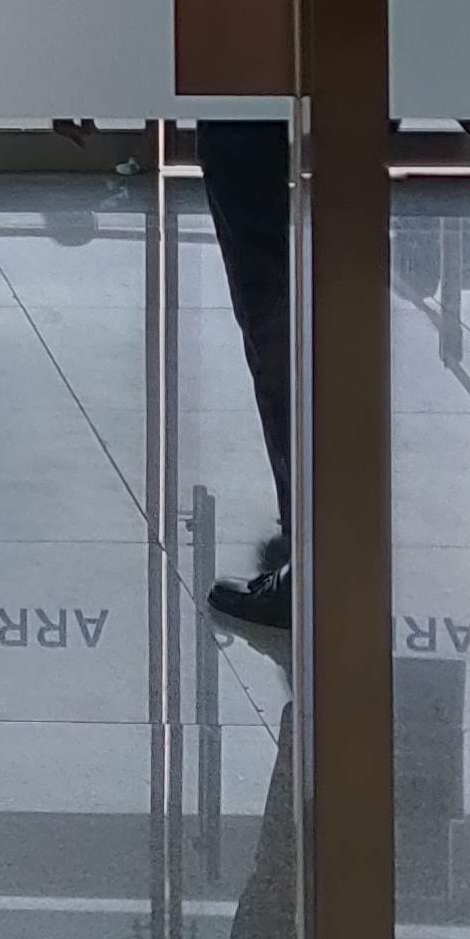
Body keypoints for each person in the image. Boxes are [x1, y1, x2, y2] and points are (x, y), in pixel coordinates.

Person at [193, 114, 294, 638]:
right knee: (327, 308)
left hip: (246, 105)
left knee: (274, 325)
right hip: (348, 88)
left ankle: (310, 562)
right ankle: (330, 534)